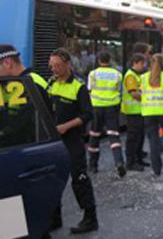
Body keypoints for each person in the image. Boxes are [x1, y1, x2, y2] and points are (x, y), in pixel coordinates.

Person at [47, 48, 98, 233]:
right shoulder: (50, 83)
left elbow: (87, 115)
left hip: (72, 140)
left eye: (58, 65)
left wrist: (66, 126)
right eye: (51, 66)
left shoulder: (78, 86)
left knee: (79, 178)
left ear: (67, 64)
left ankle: (90, 218)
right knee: (52, 180)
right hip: (54, 141)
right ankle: (54, 218)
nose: (54, 69)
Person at [87, 50, 126, 177]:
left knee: (95, 136)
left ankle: (93, 166)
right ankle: (119, 162)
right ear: (110, 60)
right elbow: (120, 91)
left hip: (97, 107)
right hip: (112, 107)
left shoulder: (93, 74)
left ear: (98, 61)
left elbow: (89, 90)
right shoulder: (117, 74)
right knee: (114, 136)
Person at [122, 53, 149, 171]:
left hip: (139, 110)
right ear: (135, 63)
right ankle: (130, 162)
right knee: (133, 138)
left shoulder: (137, 75)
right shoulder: (130, 76)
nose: (144, 66)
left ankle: (138, 159)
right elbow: (134, 94)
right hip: (133, 111)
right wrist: (149, 97)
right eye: (142, 63)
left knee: (140, 136)